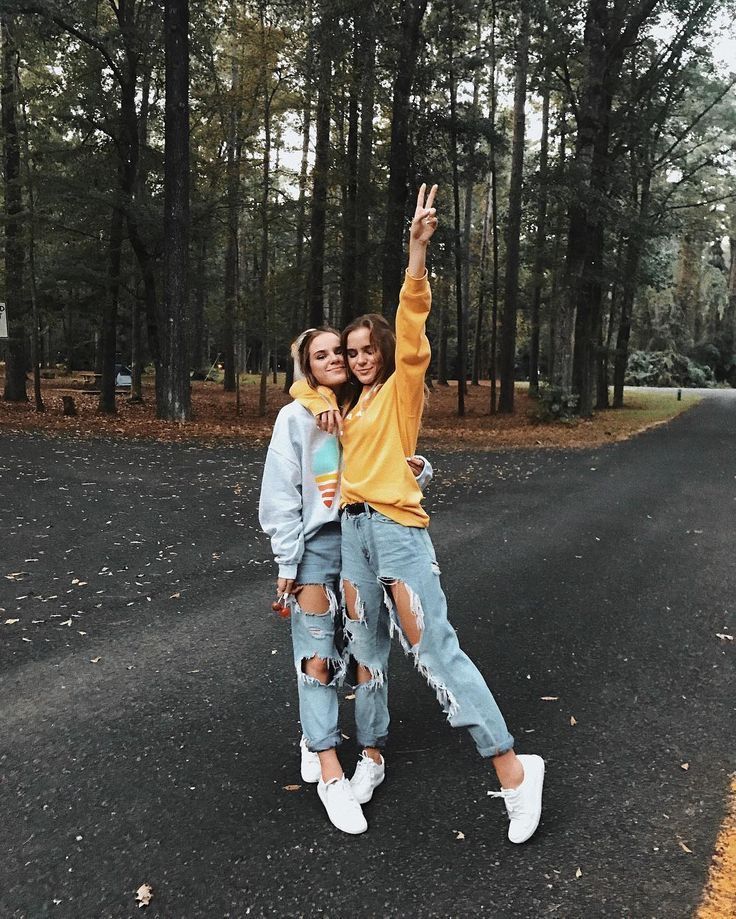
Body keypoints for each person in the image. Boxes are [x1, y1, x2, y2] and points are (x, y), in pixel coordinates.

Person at [291, 183, 545, 844]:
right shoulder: (348, 410)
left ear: (384, 348)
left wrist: (416, 251)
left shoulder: (402, 388)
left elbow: (411, 323)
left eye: (365, 346)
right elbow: (306, 381)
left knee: (434, 649)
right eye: (349, 351)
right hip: (353, 536)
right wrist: (324, 407)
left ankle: (515, 771)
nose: (358, 356)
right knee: (367, 653)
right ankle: (371, 755)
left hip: (397, 533)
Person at [258, 328, 432, 835]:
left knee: (366, 652)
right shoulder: (296, 416)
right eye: (323, 354)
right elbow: (280, 493)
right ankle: (327, 764)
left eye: (342, 350)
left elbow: (393, 469)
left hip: (367, 537)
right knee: (316, 653)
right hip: (313, 547)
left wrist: (420, 472)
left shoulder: (365, 405)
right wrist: (287, 563)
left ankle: (370, 754)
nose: (337, 358)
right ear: (306, 367)